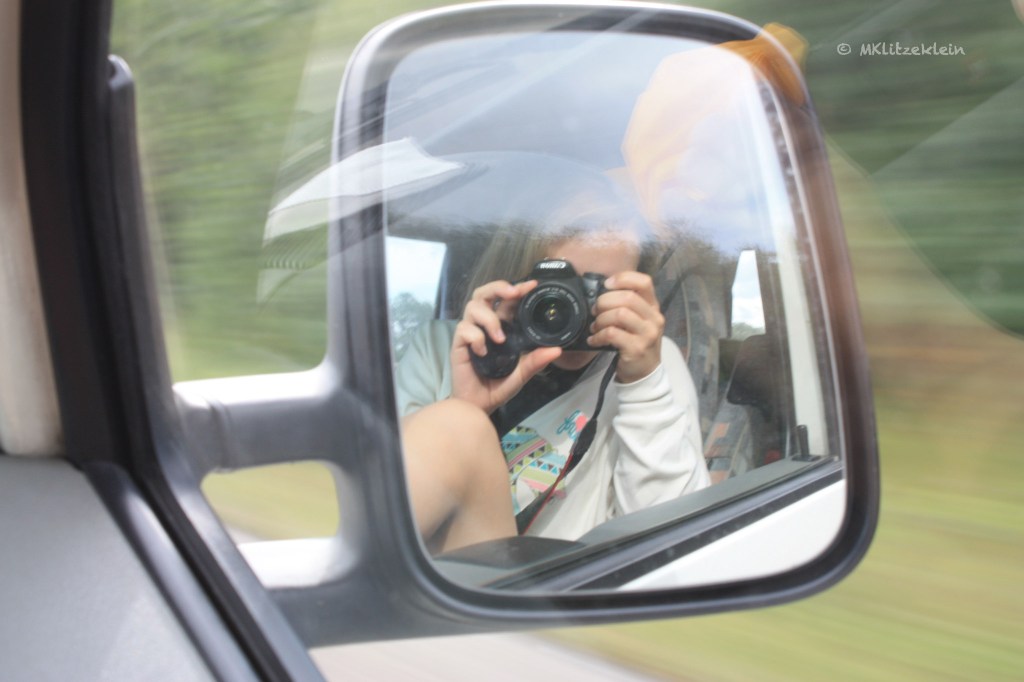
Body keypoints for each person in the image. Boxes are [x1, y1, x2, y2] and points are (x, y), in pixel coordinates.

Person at [396, 182, 710, 554]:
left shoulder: (647, 364)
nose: (572, 308)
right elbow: (377, 494)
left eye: (601, 290)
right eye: (558, 285)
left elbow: (674, 545)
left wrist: (643, 384)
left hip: (561, 583)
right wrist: (466, 403)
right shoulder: (440, 349)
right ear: (513, 278)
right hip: (442, 574)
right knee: (455, 422)